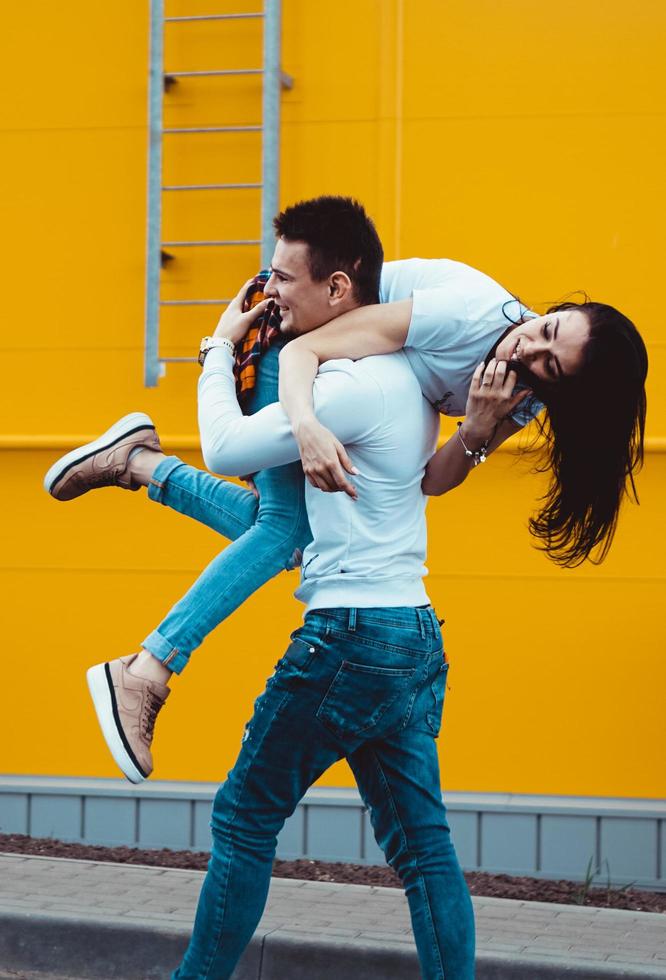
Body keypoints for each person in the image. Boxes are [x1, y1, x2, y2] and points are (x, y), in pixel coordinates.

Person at [43, 195, 648, 785]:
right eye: (548, 327)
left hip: (335, 358)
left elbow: (431, 482)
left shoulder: (518, 399)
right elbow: (309, 346)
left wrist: (480, 431)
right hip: (293, 326)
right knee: (287, 530)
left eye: (549, 363)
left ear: (561, 393)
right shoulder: (468, 315)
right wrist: (306, 427)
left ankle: (138, 464)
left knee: (288, 535)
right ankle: (147, 667)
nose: (528, 347)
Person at [173, 266, 476, 979]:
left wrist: (220, 348)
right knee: (423, 847)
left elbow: (224, 447)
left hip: (348, 640)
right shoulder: (409, 377)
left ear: (340, 290)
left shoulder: (347, 390)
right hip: (412, 633)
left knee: (245, 818)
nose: (275, 300)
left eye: (284, 282)